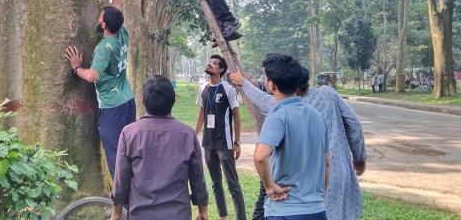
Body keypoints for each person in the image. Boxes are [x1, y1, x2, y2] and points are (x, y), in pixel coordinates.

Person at [230, 63, 367, 220]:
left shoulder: (283, 109)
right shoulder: (327, 93)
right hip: (339, 174)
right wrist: (359, 158)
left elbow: (260, 155)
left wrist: (243, 83)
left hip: (309, 187)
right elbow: (354, 124)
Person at [65, 0, 136, 179]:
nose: (98, 17)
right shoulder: (122, 33)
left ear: (104, 25)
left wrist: (77, 67)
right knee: (129, 147)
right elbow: (117, 5)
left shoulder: (104, 48)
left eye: (100, 17)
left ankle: (123, 199)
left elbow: (92, 76)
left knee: (115, 152)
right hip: (127, 101)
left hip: (112, 107)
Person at [110, 75, 209, 220]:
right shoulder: (188, 135)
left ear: (143, 102)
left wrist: (117, 212)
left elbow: (121, 178)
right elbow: (197, 178)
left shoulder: (129, 133)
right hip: (178, 214)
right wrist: (202, 209)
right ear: (174, 100)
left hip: (140, 214)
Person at [251, 54, 329, 220]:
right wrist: (319, 196)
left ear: (271, 84)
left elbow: (260, 156)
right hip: (317, 210)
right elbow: (327, 163)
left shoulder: (278, 116)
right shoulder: (317, 116)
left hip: (285, 210)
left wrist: (269, 186)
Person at [195, 54, 247, 220]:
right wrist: (193, 135)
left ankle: (241, 218)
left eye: (214, 63)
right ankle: (222, 216)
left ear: (221, 69)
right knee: (215, 183)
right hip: (208, 143)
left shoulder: (228, 89)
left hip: (224, 143)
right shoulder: (203, 88)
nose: (209, 65)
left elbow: (237, 116)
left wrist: (237, 142)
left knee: (233, 184)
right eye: (209, 62)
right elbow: (201, 113)